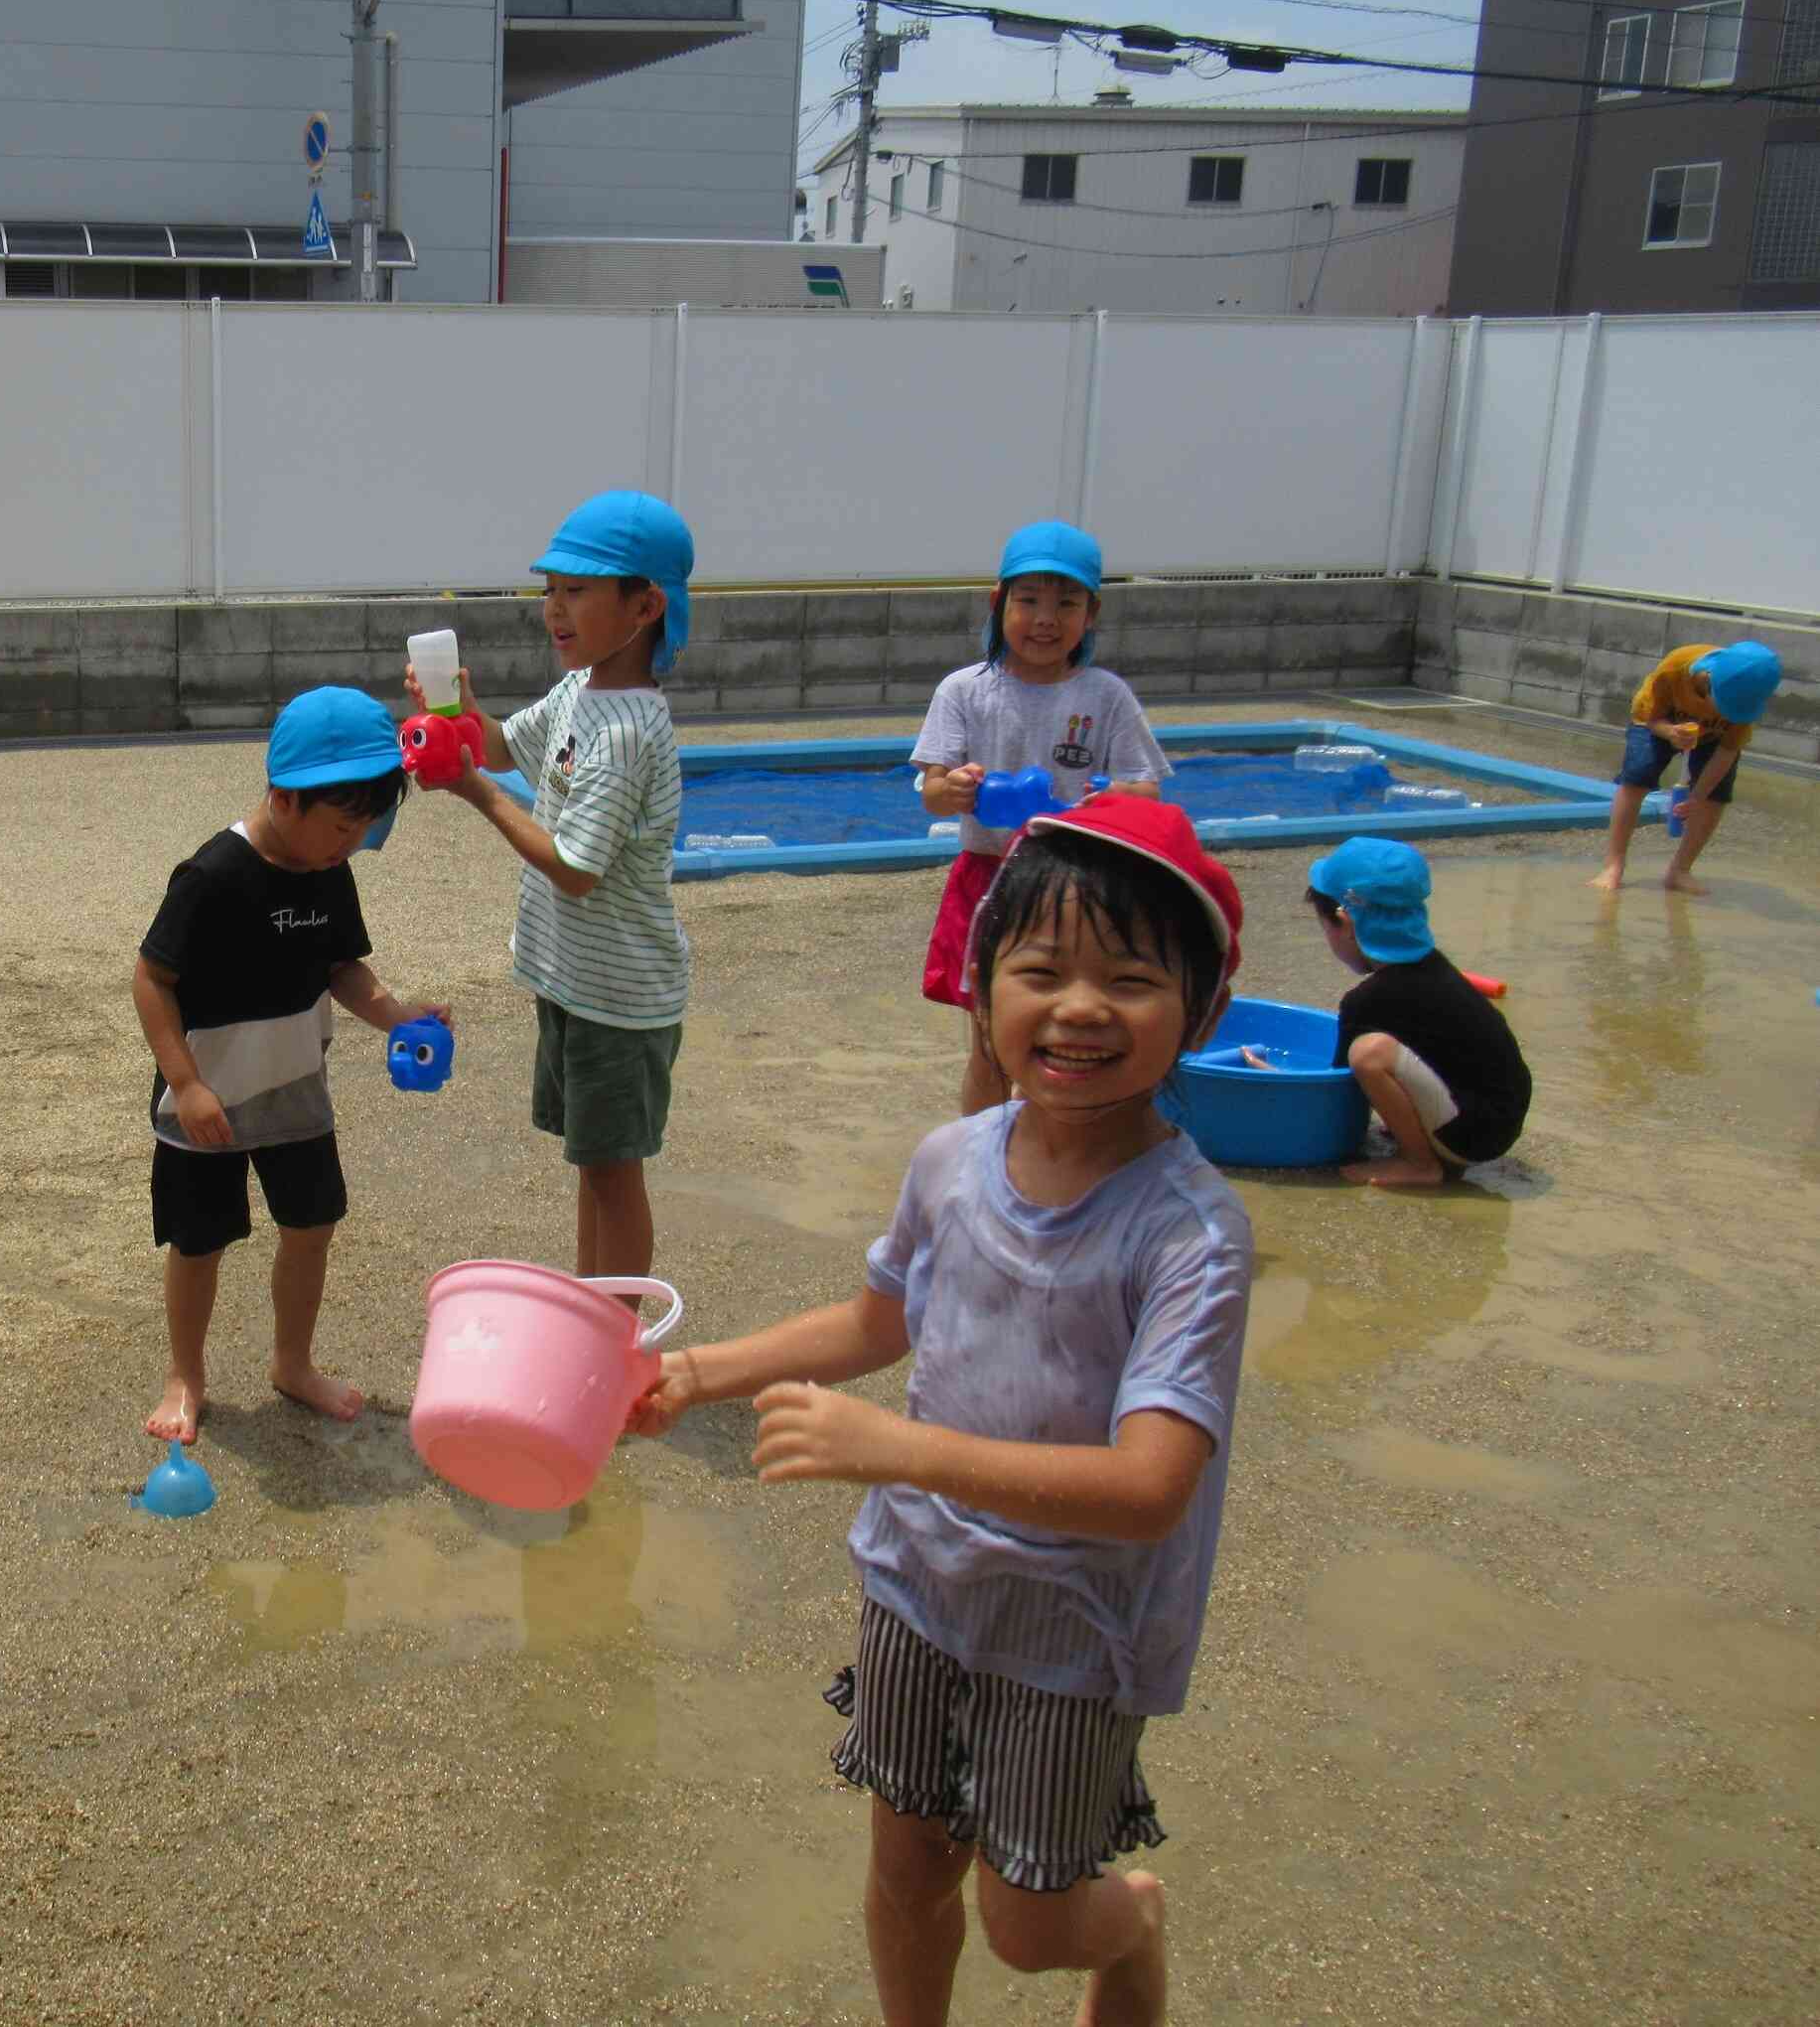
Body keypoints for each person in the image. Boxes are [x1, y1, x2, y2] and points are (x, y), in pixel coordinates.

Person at [626, 795, 1251, 2027]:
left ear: (1204, 1013)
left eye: (1130, 979)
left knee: (1026, 1927)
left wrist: (893, 1447)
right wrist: (703, 1371)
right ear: (980, 989)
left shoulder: (1191, 1234)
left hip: (1074, 1632)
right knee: (906, 1872)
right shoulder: (952, 1161)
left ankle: (1135, 1923)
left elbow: (1148, 1488)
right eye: (1041, 970)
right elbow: (881, 1318)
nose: (1079, 1007)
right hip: (919, 1587)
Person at [131, 686, 444, 1443]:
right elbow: (151, 979)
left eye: (366, 828)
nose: (351, 844)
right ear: (284, 797)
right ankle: (186, 1374)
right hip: (207, 1102)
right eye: (341, 825)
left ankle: (292, 1361)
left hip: (297, 1092)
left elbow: (344, 968)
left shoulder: (328, 868)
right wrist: (187, 1083)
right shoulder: (212, 875)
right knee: (197, 1242)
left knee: (312, 1226)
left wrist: (400, 1016)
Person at [414, 490, 692, 1280]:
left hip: (621, 997)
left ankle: (614, 1341)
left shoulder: (630, 728)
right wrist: (461, 714)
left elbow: (575, 868)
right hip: (577, 982)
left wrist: (478, 795)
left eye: (577, 591)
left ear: (644, 605)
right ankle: (589, 1312)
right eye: (551, 590)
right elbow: (505, 746)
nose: (554, 610)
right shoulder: (581, 691)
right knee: (593, 1166)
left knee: (614, 1173)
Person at [914, 519, 1172, 1114]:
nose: (1046, 619)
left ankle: (1053, 1147)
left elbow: (1148, 791)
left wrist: (1108, 797)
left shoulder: (1105, 696)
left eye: (1067, 603)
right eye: (1028, 600)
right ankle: (983, 1160)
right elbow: (930, 789)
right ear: (998, 602)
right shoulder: (964, 690)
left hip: (1080, 884)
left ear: (1092, 613)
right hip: (989, 880)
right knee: (989, 1044)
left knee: (1063, 1039)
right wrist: (952, 788)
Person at [1292, 837, 1531, 1188]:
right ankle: (1425, 1140)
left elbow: (1338, 1092)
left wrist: (1277, 1081)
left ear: (1344, 922)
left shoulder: (1367, 1000)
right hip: (1499, 1117)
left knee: (1368, 1054)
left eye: (1325, 927)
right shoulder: (1436, 971)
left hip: (1473, 1135)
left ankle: (1419, 1164)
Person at [1592, 639, 1784, 894]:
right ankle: (1613, 865)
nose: (1731, 714)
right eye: (1727, 706)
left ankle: (1680, 870)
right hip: (1661, 720)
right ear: (1711, 681)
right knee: (1637, 777)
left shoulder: (1744, 709)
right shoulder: (1675, 669)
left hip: (1713, 737)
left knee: (1717, 796)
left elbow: (1727, 751)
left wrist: (1696, 796)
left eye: (1737, 711)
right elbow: (1650, 718)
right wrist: (1670, 733)